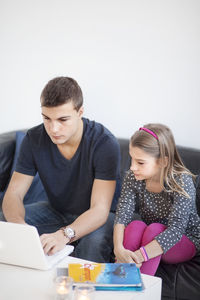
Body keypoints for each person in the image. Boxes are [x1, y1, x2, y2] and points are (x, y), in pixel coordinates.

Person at [2, 76, 121, 262]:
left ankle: (82, 290)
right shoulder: (33, 139)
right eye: (46, 118)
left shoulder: (104, 143)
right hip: (56, 211)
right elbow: (13, 195)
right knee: (5, 223)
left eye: (63, 119)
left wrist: (64, 235)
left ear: (80, 112)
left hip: (101, 217)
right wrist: (20, 228)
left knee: (93, 243)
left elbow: (100, 210)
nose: (53, 128)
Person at [113, 123, 200, 275]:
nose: (132, 167)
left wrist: (139, 256)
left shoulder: (181, 182)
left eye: (140, 162)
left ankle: (141, 289)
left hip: (185, 239)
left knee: (154, 229)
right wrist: (119, 249)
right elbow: (122, 216)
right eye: (132, 159)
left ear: (163, 162)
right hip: (151, 235)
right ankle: (119, 279)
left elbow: (176, 231)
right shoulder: (133, 177)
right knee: (135, 226)